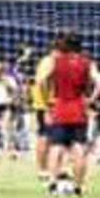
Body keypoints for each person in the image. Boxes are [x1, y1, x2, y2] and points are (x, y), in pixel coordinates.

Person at [46, 32, 94, 197]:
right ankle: (79, 186)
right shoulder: (85, 63)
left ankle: (52, 183)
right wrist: (91, 98)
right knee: (78, 147)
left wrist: (49, 98)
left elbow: (43, 80)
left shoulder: (57, 62)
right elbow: (92, 84)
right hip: (78, 108)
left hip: (60, 108)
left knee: (56, 147)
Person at [30, 38, 63, 180]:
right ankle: (42, 169)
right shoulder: (49, 62)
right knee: (44, 136)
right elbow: (41, 81)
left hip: (47, 104)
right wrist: (47, 104)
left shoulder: (50, 62)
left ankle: (51, 169)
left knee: (49, 137)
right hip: (44, 105)